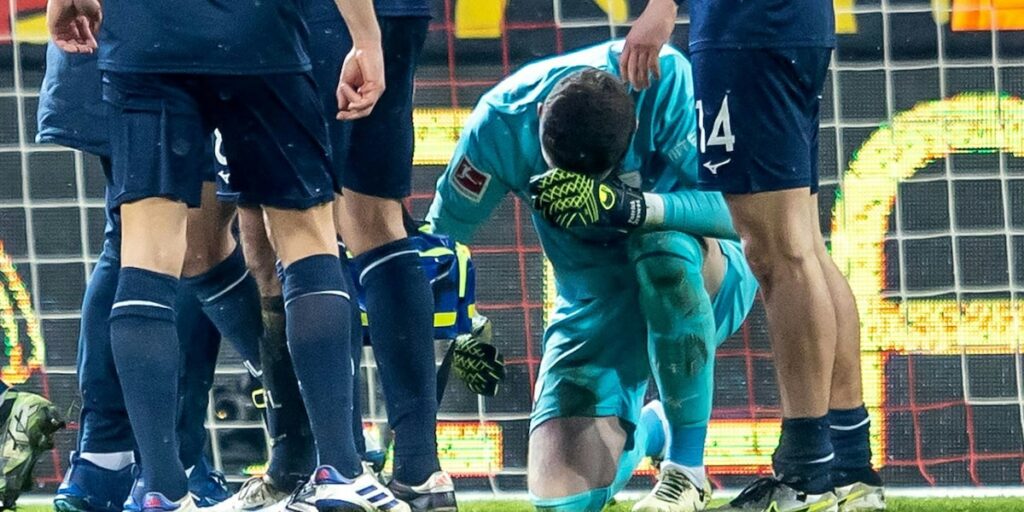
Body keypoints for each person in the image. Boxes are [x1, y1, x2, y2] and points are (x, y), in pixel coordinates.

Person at [46, 0, 404, 509]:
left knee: (145, 250)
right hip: (260, 34)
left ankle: (162, 487)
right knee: (307, 236)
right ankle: (341, 471)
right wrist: (366, 38)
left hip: (143, 40)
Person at [428, 41, 758, 512]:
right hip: (591, 306)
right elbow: (442, 240)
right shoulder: (499, 122)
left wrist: (638, 208)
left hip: (703, 274)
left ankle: (685, 471)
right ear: (539, 112)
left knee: (660, 249)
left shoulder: (665, 80)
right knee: (561, 502)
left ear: (636, 129)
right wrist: (461, 329)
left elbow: (748, 210)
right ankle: (652, 428)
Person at [620, 0, 885, 510]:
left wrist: (661, 5)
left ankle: (807, 474)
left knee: (778, 253)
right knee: (803, 244)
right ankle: (849, 465)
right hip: (787, 24)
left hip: (747, 26)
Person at [36, 42, 255, 511]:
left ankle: (102, 459)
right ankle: (177, 462)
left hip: (106, 46)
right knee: (188, 239)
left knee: (129, 240)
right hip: (178, 45)